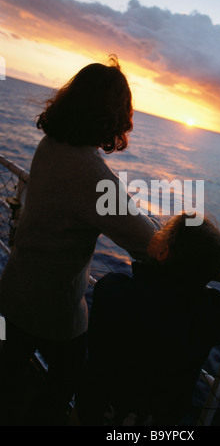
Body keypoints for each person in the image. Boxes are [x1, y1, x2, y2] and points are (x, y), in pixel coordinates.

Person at [0, 57, 158, 425]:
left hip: (15, 285)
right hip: (54, 309)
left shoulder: (49, 143)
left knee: (7, 380)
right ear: (113, 117)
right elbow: (147, 241)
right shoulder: (94, 177)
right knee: (62, 388)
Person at [75, 212, 220, 426]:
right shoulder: (205, 313)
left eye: (163, 232)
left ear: (163, 251)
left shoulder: (112, 289)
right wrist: (217, 272)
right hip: (156, 420)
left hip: (93, 408)